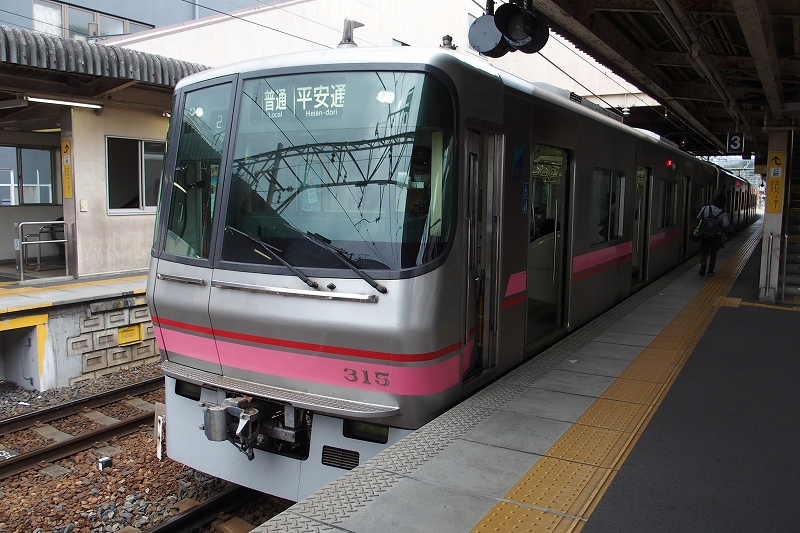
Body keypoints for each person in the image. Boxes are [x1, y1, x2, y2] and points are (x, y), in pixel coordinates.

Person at [696, 194, 731, 276]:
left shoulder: (706, 208)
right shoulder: (723, 213)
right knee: (713, 253)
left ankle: (703, 263)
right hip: (716, 236)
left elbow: (698, 217)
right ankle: (710, 270)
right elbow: (726, 224)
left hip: (704, 234)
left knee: (704, 251)